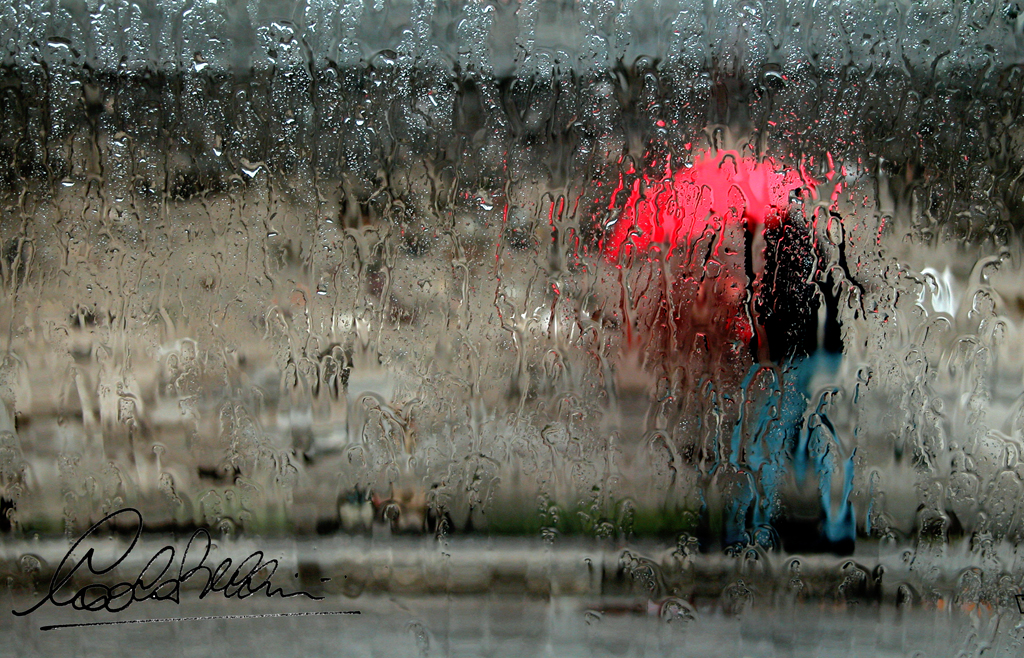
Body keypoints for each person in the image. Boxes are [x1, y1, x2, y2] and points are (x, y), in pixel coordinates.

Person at [600, 149, 855, 552]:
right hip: (820, 355)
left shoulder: (765, 247)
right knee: (818, 443)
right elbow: (833, 299)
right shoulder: (816, 244)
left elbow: (763, 311)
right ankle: (833, 529)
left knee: (761, 443)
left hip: (780, 360)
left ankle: (750, 529)